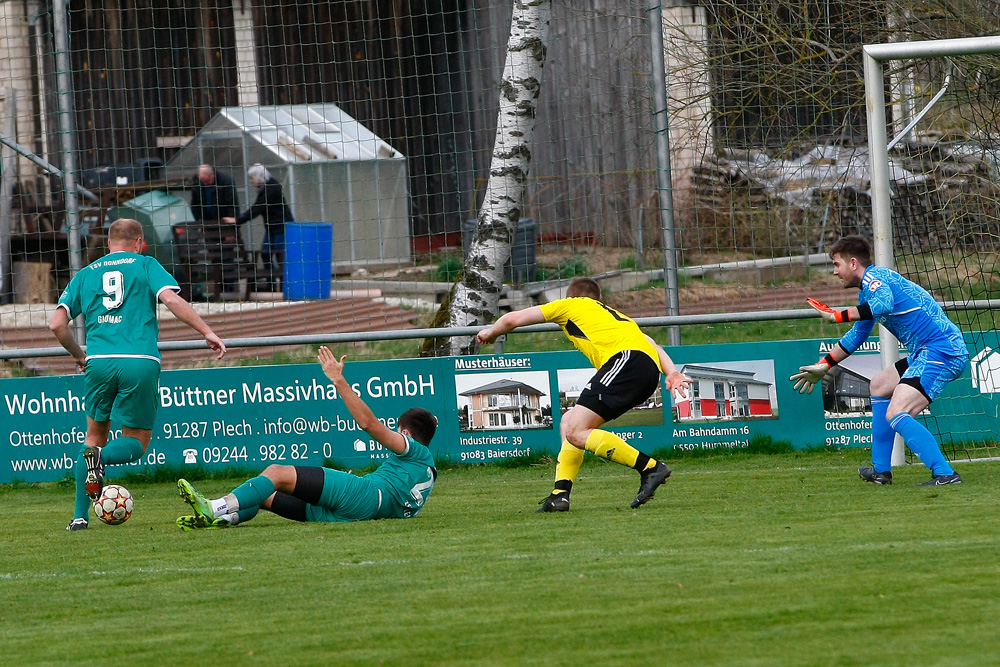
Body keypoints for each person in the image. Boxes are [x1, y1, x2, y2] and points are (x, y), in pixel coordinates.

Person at [50, 218, 227, 531]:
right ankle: (101, 459)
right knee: (136, 442)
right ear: (139, 241)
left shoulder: (86, 273)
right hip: (139, 360)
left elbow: (56, 324)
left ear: (108, 243)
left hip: (99, 361)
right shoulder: (146, 264)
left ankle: (79, 517)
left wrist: (79, 355)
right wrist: (207, 331)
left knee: (92, 438)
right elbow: (171, 299)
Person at [477, 277, 691, 512]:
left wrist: (491, 333)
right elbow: (653, 344)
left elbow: (511, 319)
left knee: (577, 431)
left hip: (626, 362)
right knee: (570, 421)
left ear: (571, 296)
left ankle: (650, 467)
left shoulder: (571, 305)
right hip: (645, 371)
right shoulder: (618, 317)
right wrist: (671, 372)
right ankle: (560, 495)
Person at [175, 346, 437, 529]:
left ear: (406, 434)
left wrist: (339, 380)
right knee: (264, 493)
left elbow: (369, 424)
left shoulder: (412, 449)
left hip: (364, 495)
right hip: (357, 515)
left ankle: (214, 507)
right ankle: (225, 518)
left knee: (276, 472)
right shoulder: (428, 471)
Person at [790, 235, 968, 486]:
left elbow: (884, 305)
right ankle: (881, 472)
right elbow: (857, 335)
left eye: (836, 264)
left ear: (853, 264)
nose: (834, 272)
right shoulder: (867, 292)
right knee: (879, 385)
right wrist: (825, 365)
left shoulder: (876, 279)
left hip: (942, 351)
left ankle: (945, 473)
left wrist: (837, 315)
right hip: (927, 352)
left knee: (897, 411)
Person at [223, 163, 294, 291]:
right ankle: (271, 284)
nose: (251, 181)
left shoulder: (272, 188)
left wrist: (238, 219)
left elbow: (258, 208)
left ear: (259, 176)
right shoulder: (264, 188)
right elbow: (257, 207)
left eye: (252, 178)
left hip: (281, 227)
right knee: (266, 254)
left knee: (280, 256)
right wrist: (240, 218)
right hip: (271, 228)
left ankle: (286, 286)